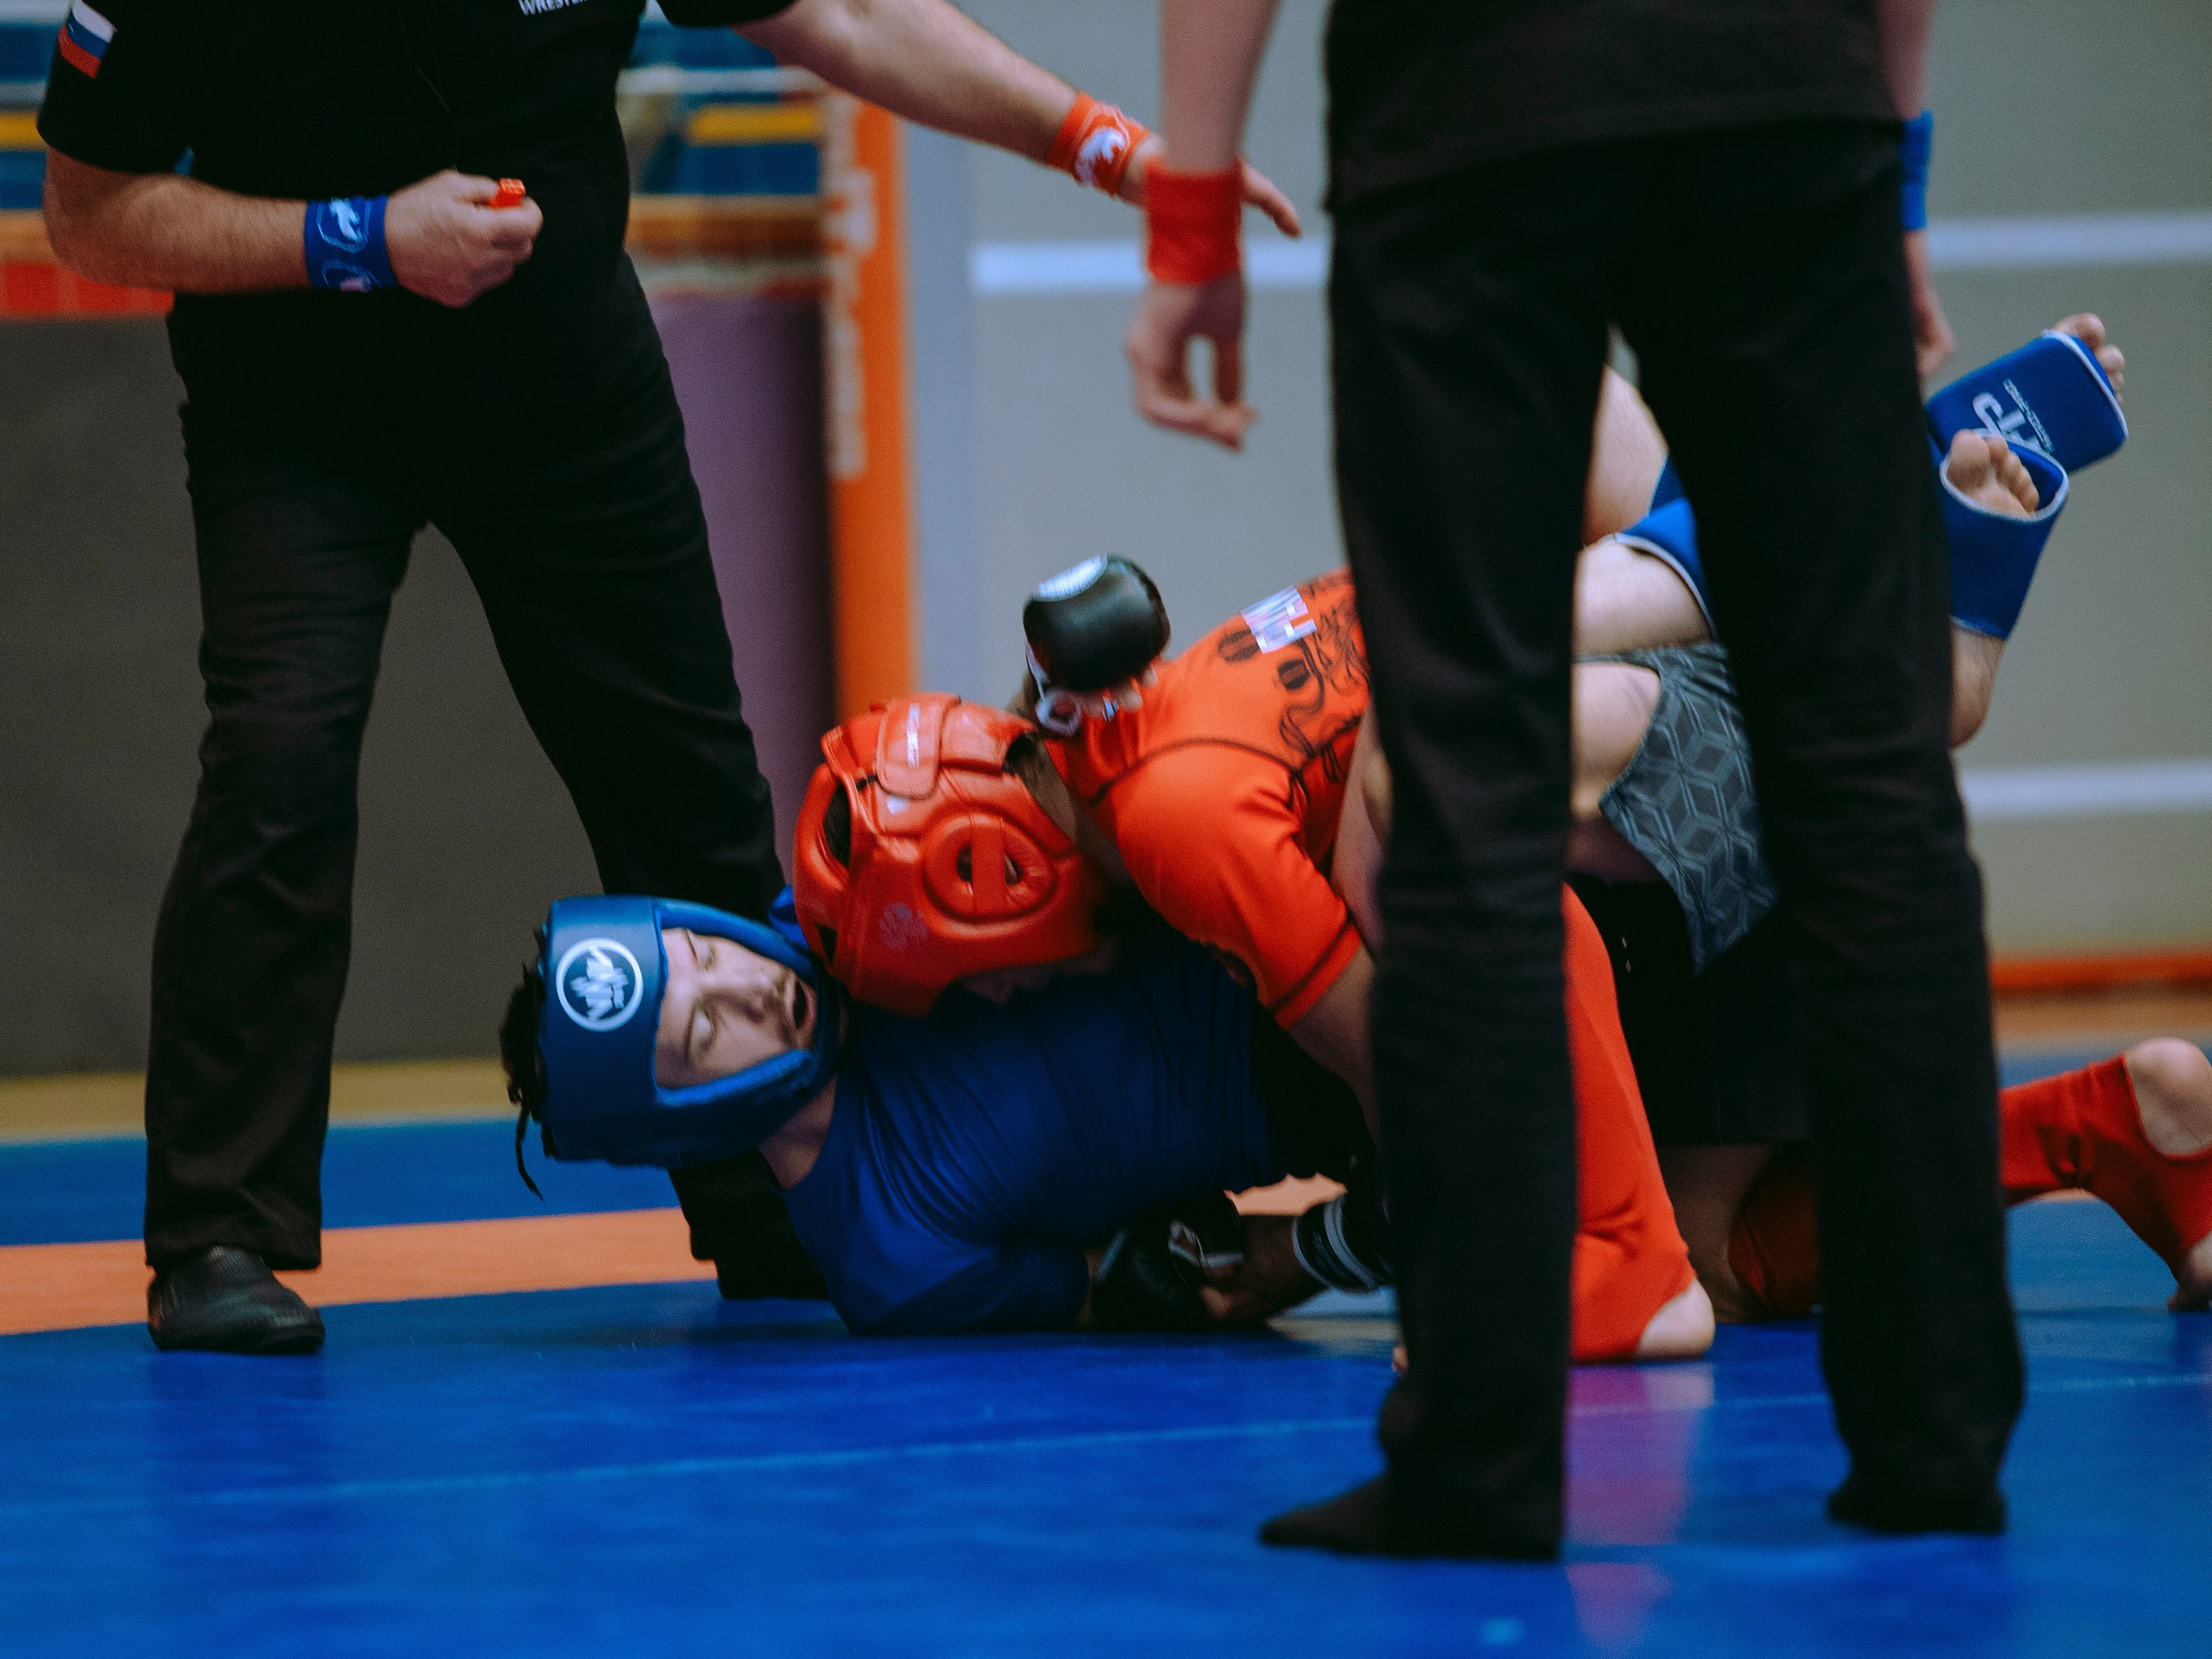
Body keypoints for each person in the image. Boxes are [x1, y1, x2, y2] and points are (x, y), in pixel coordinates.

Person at [34, 0, 1296, 1355]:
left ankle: (768, 1205)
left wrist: (1105, 146)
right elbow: (90, 209)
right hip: (293, 395)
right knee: (278, 762)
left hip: (558, 374)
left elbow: (843, 17)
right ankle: (218, 1235)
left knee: (688, 791)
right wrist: (355, 237)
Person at [1128, 0, 2018, 1554]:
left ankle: (1479, 1452)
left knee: (1465, 794)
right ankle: (1933, 1430)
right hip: (1776, 95)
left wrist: (1193, 209)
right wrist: (1898, 175)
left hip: (1473, 103)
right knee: (1869, 780)